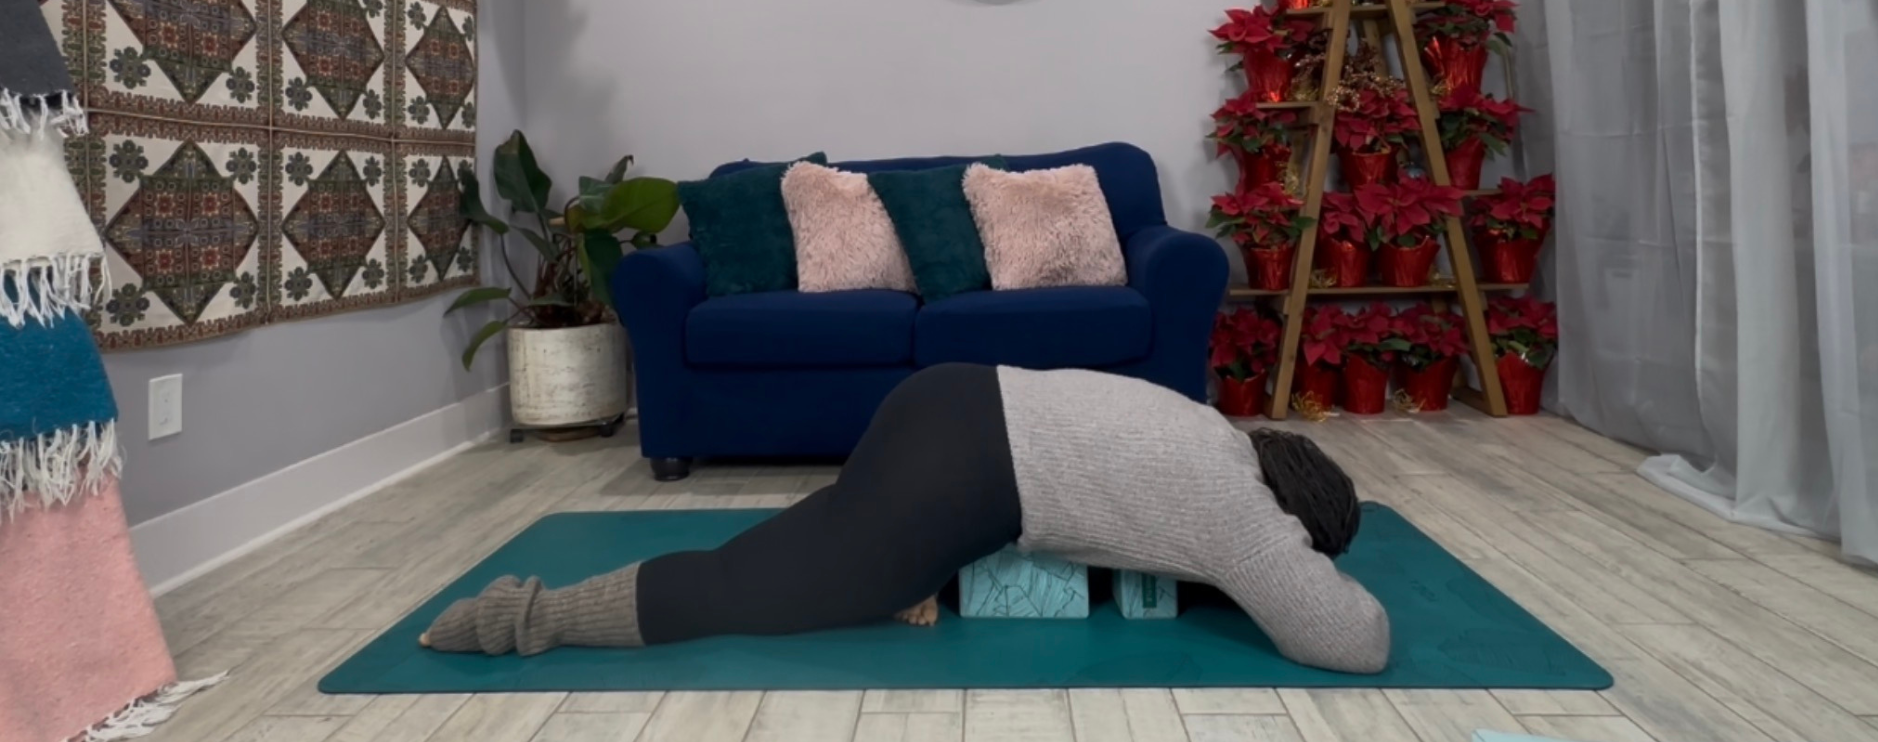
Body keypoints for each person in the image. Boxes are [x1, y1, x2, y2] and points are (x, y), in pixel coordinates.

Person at [420, 363, 1392, 674]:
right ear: (1293, 516)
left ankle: (868, 543)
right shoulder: (1238, 511)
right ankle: (524, 616)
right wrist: (1298, 561)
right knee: (746, 591)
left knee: (833, 538)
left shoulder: (1211, 431)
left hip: (952, 399)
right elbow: (1353, 641)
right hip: (960, 474)